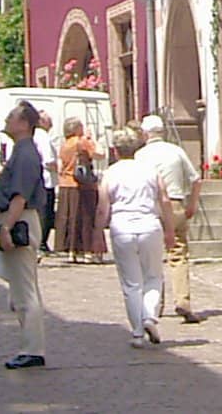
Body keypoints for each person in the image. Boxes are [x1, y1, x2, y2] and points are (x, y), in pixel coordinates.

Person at [96, 126, 175, 348]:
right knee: (153, 276)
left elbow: (103, 207)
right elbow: (165, 200)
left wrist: (97, 233)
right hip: (149, 225)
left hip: (122, 228)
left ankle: (138, 333)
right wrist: (169, 229)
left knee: (131, 283)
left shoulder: (110, 173)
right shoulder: (150, 170)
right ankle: (150, 316)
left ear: (116, 150)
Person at [0, 101, 46, 369]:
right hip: (19, 219)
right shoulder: (21, 151)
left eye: (11, 116)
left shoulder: (25, 154)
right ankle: (31, 345)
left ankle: (32, 348)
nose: (7, 120)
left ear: (24, 123)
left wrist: (6, 226)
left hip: (19, 220)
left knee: (24, 290)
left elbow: (20, 195)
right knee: (22, 288)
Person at [135, 114, 200, 322]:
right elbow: (196, 179)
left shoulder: (140, 155)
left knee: (152, 256)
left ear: (145, 133)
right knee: (178, 253)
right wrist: (192, 203)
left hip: (151, 206)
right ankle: (182, 301)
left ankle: (155, 304)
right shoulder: (176, 151)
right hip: (175, 203)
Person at [56, 117, 101, 262]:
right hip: (82, 184)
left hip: (66, 183)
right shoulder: (81, 142)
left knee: (71, 218)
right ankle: (87, 251)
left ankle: (71, 251)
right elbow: (99, 154)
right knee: (86, 218)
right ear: (76, 129)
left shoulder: (64, 145)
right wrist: (91, 139)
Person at [32, 111, 58, 254]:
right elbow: (48, 160)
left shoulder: (34, 134)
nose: (52, 122)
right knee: (45, 212)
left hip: (38, 178)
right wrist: (59, 169)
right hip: (46, 179)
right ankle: (41, 243)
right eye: (49, 119)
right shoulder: (43, 137)